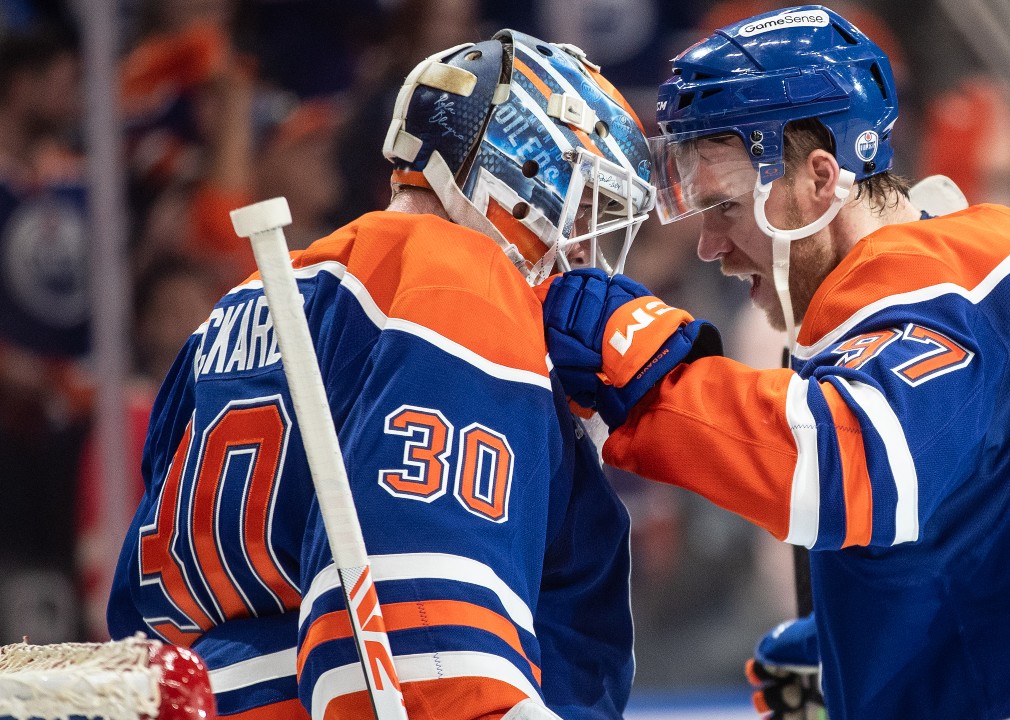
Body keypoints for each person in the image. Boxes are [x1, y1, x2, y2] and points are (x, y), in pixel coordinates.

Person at [540, 5, 1010, 718]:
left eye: (725, 208)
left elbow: (847, 465)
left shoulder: (912, 282)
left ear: (820, 180)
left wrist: (650, 372)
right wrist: (876, 642)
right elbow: (1004, 503)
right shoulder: (997, 252)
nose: (710, 247)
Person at [108, 29, 655, 719]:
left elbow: (138, 612)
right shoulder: (458, 280)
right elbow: (423, 641)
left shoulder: (241, 304)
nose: (578, 249)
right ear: (516, 180)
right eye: (581, 211)